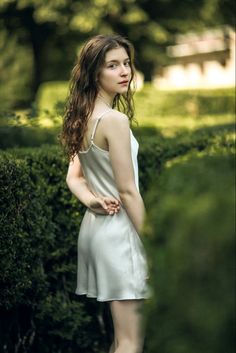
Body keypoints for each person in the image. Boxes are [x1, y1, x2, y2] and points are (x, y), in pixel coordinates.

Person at [60, 34, 151, 353]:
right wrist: (154, 244)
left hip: (97, 230)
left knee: (120, 339)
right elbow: (127, 191)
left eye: (126, 63)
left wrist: (92, 201)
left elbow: (75, 178)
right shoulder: (115, 120)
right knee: (130, 342)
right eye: (112, 65)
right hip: (120, 235)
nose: (124, 71)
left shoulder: (82, 116)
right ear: (94, 73)